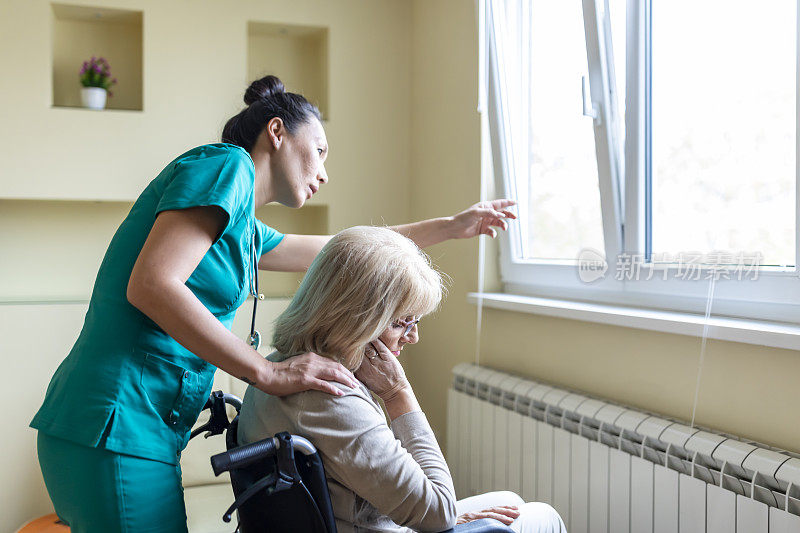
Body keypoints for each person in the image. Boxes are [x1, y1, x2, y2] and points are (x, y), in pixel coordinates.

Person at [29, 75, 516, 533]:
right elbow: (152, 285)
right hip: (117, 424)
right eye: (320, 151)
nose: (324, 173)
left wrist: (451, 226)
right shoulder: (226, 165)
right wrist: (267, 372)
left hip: (128, 429)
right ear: (277, 131)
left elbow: (352, 249)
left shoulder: (243, 228)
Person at [237, 226, 566, 533]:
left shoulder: (277, 367)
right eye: (401, 323)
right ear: (354, 320)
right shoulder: (332, 400)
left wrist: (441, 514)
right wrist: (398, 394)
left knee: (511, 501)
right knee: (542, 516)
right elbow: (439, 512)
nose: (414, 337)